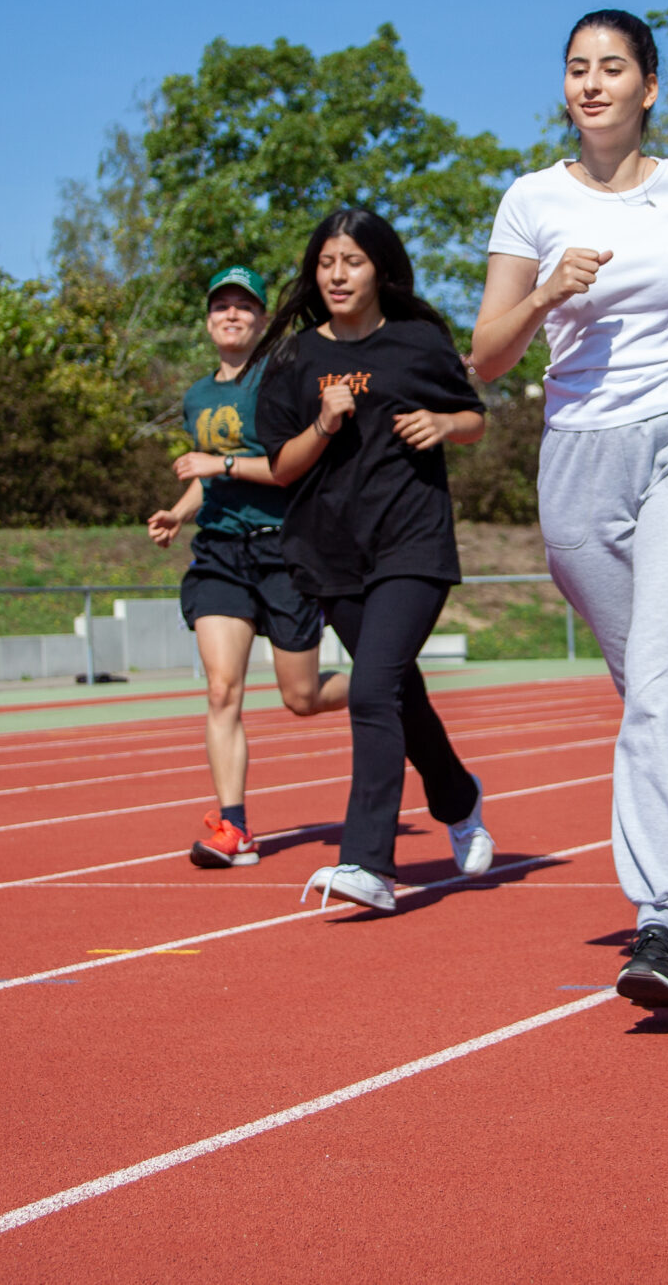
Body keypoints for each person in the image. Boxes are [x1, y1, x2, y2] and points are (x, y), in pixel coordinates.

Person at [471, 8, 668, 1011]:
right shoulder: (530, 202)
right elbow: (487, 356)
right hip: (578, 464)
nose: (592, 82)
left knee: (657, 681)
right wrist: (548, 291)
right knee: (656, 689)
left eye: (612, 68)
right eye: (576, 68)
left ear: (649, 86)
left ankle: (657, 917)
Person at [254, 209, 494, 914]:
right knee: (399, 693)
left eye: (352, 261)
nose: (336, 274)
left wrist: (445, 424)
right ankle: (457, 794)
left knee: (370, 688)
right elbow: (280, 467)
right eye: (326, 261)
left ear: (379, 270)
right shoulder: (295, 360)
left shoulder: (418, 342)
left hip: (412, 543)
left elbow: (473, 416)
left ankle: (367, 863)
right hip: (333, 550)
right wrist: (324, 423)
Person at [148, 265, 352, 868]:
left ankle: (386, 685)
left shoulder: (280, 380)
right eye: (220, 308)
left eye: (243, 307)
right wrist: (181, 513)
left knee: (300, 698)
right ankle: (233, 828)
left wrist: (218, 468)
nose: (231, 316)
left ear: (263, 319)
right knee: (220, 690)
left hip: (283, 547)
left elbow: (286, 468)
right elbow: (207, 477)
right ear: (208, 321)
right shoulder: (198, 396)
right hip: (220, 554)